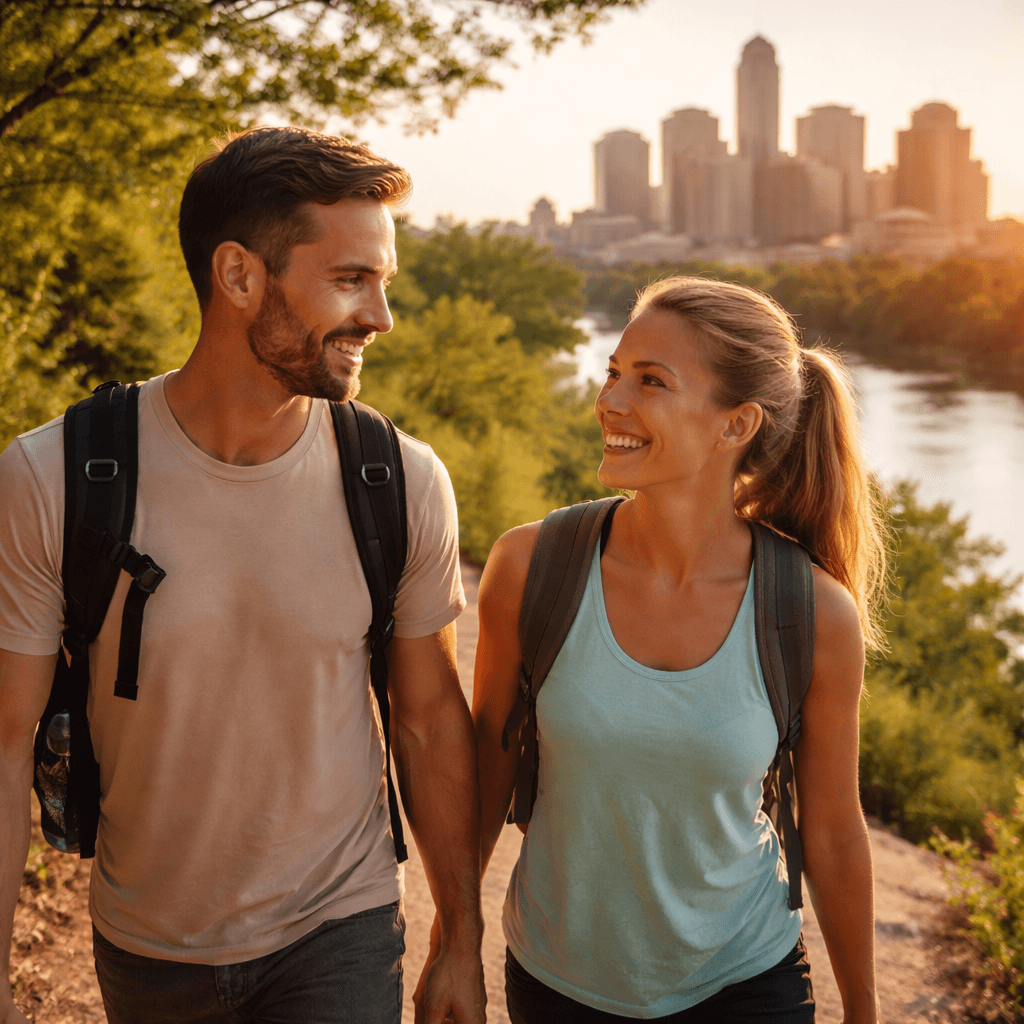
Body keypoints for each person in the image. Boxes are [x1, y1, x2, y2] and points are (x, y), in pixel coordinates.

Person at [0, 127, 485, 1024]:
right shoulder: (54, 477)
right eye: (352, 279)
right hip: (148, 940)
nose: (381, 316)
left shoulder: (398, 480)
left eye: (383, 282)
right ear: (238, 276)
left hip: (339, 925)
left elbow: (426, 719)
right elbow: (6, 736)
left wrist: (460, 937)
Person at [473, 276, 886, 1024]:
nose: (610, 400)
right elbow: (486, 770)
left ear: (737, 425)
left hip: (745, 982)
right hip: (558, 980)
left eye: (651, 381)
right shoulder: (531, 567)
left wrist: (863, 1009)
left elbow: (832, 829)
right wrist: (450, 937)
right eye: (614, 373)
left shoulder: (813, 611)